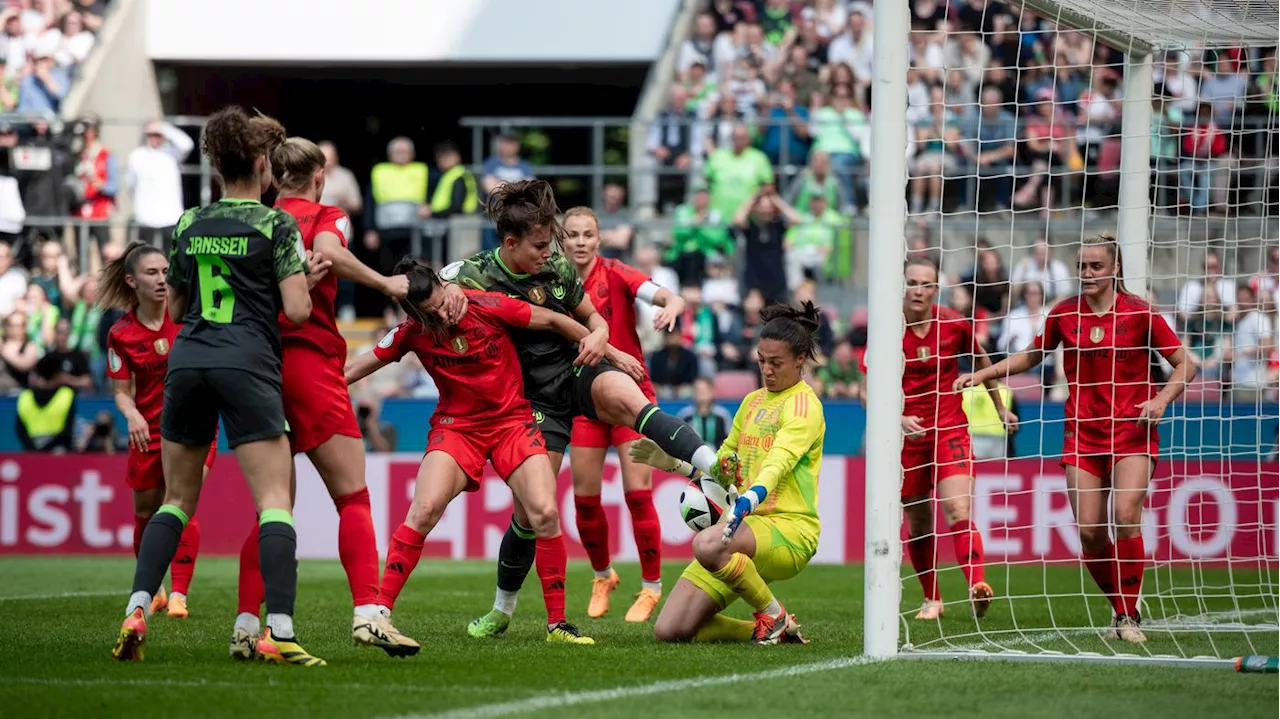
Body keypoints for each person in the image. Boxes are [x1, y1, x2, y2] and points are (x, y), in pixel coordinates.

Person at [434, 180, 730, 639]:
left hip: (577, 371)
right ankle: (503, 609)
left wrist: (598, 338)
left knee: (633, 401)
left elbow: (593, 317)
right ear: (510, 243)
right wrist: (439, 295)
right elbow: (419, 288)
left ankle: (715, 466)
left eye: (562, 240)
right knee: (532, 512)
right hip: (530, 401)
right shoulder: (470, 274)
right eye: (542, 244)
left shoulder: (564, 270)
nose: (552, 252)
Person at [111, 106, 331, 666]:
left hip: (187, 362)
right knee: (276, 503)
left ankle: (137, 608)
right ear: (262, 163)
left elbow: (177, 305)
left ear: (215, 163)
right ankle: (278, 629)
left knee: (176, 501)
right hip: (248, 364)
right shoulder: (274, 224)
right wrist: (303, 275)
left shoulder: (190, 223)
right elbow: (299, 312)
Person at [957, 232, 1196, 643]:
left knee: (1124, 515)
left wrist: (1160, 401)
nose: (1087, 273)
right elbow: (1033, 356)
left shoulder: (1141, 313)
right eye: (1083, 265)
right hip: (1081, 434)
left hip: (1132, 432)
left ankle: (1127, 618)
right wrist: (984, 373)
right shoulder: (1064, 313)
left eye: (1096, 266)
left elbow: (1185, 365)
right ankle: (1124, 607)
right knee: (1088, 531)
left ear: (1115, 268)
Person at [229, 137, 417, 658]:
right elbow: (331, 254)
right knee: (352, 496)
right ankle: (368, 615)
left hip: (258, 367)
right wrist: (386, 283)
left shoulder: (258, 220)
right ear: (319, 175)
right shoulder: (325, 213)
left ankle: (246, 627)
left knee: (274, 510)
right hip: (309, 362)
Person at [346, 259, 599, 645]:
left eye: (439, 301)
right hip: (457, 428)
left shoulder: (487, 305)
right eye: (427, 312)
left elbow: (552, 320)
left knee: (545, 512)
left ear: (444, 285)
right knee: (424, 509)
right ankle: (379, 613)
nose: (441, 313)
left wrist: (603, 347)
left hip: (511, 422)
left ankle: (557, 625)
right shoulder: (410, 333)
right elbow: (354, 368)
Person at [634, 302, 826, 644]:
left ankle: (773, 615)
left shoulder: (804, 405)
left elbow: (777, 462)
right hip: (745, 525)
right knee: (671, 630)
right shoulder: (751, 403)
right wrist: (674, 465)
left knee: (706, 544)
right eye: (761, 361)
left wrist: (749, 500)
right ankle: (777, 631)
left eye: (776, 363)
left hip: (789, 530)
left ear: (800, 360)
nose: (766, 370)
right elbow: (724, 467)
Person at [861, 257, 1013, 620]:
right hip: (907, 438)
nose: (918, 290)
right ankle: (932, 598)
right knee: (919, 523)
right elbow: (865, 391)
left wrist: (998, 407)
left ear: (935, 289)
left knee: (959, 508)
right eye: (912, 282)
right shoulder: (885, 329)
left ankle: (977, 584)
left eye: (925, 284)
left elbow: (982, 361)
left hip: (949, 428)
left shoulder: (954, 325)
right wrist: (896, 418)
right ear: (902, 285)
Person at [561, 206, 686, 622]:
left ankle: (651, 587)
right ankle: (603, 576)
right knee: (584, 498)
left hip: (631, 397)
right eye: (573, 234)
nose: (580, 241)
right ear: (563, 239)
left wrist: (671, 305)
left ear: (599, 239)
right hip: (583, 398)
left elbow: (665, 294)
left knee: (636, 494)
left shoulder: (616, 273)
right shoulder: (553, 282)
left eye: (587, 234)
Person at [101, 242, 217, 621]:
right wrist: (131, 414)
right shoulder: (121, 333)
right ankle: (156, 590)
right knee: (145, 513)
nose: (163, 279)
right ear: (132, 281)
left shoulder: (187, 316)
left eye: (166, 271)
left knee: (183, 500)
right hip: (148, 431)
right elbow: (121, 392)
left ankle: (180, 594)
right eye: (152, 273)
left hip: (195, 425)